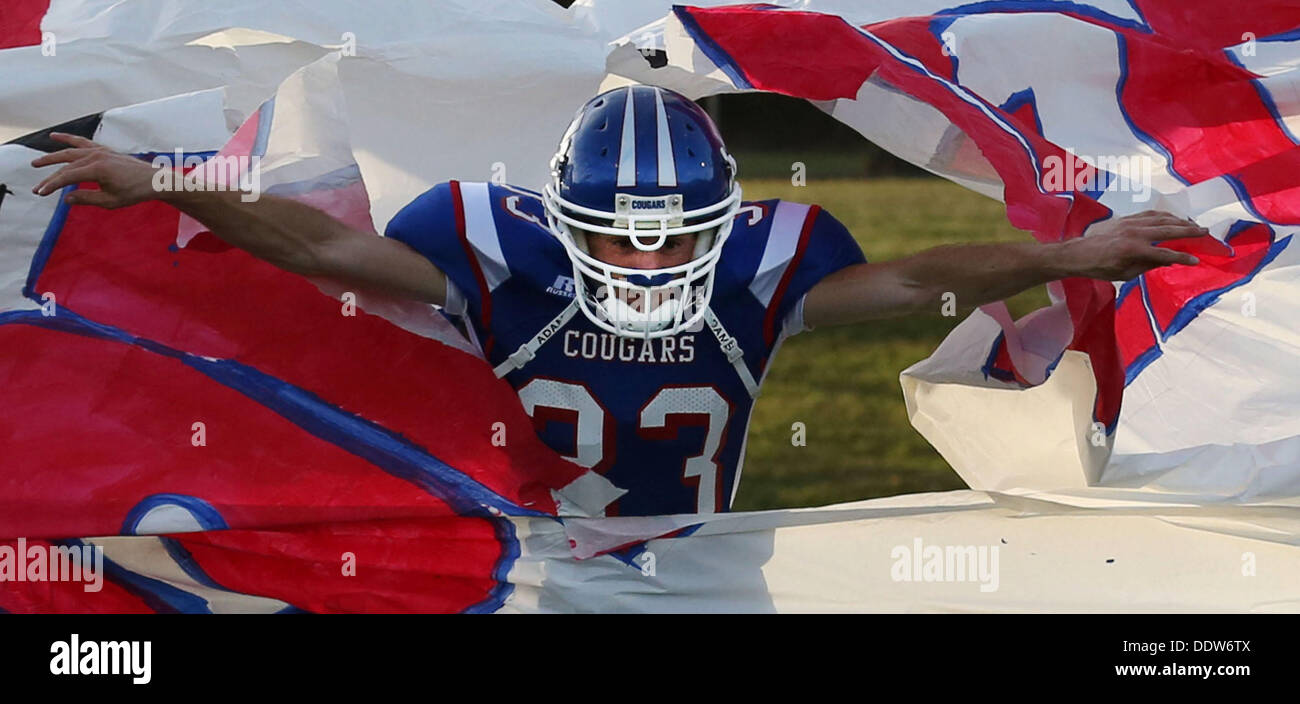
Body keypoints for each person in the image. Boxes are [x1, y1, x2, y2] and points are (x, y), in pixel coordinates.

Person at [29, 85, 1206, 516]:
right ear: (560, 218)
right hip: (523, 552)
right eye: (616, 241)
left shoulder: (764, 267)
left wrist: (1068, 255)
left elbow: (914, 274)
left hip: (697, 570)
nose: (646, 267)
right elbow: (315, 250)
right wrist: (174, 183)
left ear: (720, 221)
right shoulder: (487, 252)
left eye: (675, 242)